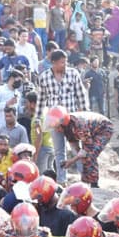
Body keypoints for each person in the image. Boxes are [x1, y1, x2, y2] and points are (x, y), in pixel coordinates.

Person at [37, 50, 89, 183]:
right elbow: (41, 99)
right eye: (61, 62)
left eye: (65, 61)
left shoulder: (73, 73)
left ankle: (85, 177)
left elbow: (81, 94)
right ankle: (62, 180)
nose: (64, 64)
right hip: (54, 121)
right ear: (53, 62)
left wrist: (85, 113)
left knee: (76, 148)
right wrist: (38, 118)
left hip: (71, 120)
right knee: (59, 151)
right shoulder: (44, 77)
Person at [45, 106, 114, 188]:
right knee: (84, 156)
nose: (57, 130)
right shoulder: (68, 128)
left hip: (104, 129)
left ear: (63, 124)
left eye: (57, 127)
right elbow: (77, 148)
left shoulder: (79, 126)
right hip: (91, 130)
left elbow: (87, 149)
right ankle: (85, 182)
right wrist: (77, 157)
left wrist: (71, 161)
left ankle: (94, 185)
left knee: (91, 154)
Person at [0, 69, 23, 144]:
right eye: (17, 80)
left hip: (12, 127)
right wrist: (6, 104)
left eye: (20, 81)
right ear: (11, 79)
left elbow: (17, 110)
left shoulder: (18, 93)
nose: (19, 83)